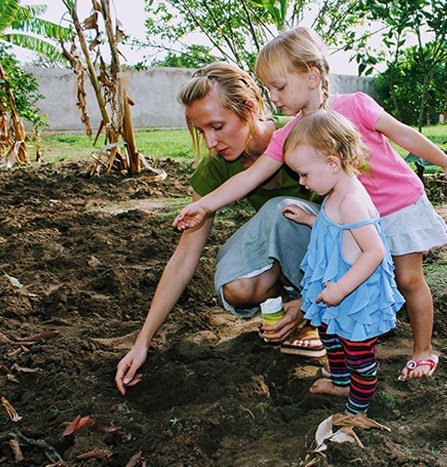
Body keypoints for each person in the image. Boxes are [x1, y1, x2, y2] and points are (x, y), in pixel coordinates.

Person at [173, 27, 447, 381]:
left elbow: (402, 133)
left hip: (398, 204)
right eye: (268, 88)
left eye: (279, 86)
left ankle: (422, 351)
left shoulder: (354, 105)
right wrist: (205, 206)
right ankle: (351, 358)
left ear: (312, 76)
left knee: (407, 278)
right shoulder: (291, 134)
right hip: (356, 216)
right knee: (354, 281)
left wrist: (444, 162)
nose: (273, 97)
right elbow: (249, 177)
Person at [114, 62, 323, 396]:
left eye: (218, 126)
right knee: (236, 287)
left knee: (281, 210)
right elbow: (185, 256)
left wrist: (315, 299)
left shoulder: (305, 133)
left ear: (250, 108)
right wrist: (142, 342)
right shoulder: (217, 167)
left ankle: (318, 314)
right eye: (201, 132)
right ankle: (294, 312)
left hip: (344, 251)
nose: (211, 142)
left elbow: (358, 216)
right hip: (302, 259)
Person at [281, 109, 404, 414]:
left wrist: (341, 289)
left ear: (332, 163)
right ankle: (340, 381)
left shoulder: (350, 201)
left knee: (358, 354)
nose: (301, 181)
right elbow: (336, 233)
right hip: (337, 286)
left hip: (355, 295)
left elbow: (373, 252)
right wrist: (311, 220)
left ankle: (357, 409)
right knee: (328, 333)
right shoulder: (336, 191)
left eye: (304, 174)